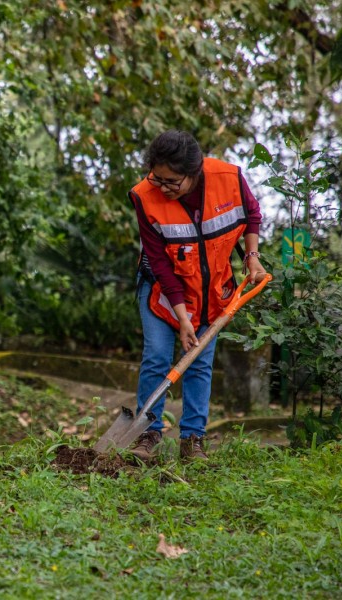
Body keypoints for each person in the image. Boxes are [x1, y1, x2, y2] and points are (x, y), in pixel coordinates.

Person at [128, 130, 266, 461]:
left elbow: (252, 215)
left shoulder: (228, 178)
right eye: (157, 178)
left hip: (211, 292)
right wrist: (182, 316)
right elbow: (159, 263)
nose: (162, 187)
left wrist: (252, 256)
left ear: (195, 171)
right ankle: (147, 434)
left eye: (171, 181)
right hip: (162, 292)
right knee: (158, 356)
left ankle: (193, 440)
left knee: (200, 363)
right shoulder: (145, 196)